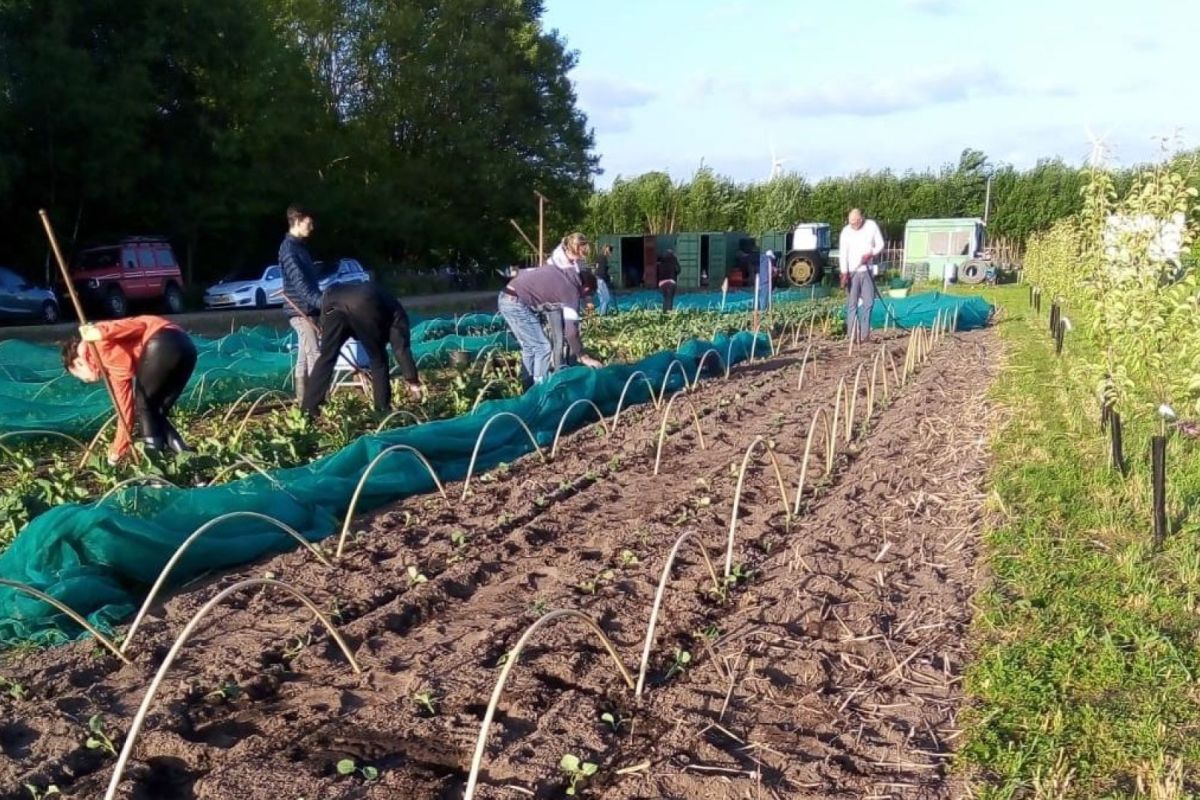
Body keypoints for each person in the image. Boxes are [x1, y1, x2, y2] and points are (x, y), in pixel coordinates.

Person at [61, 317, 198, 463]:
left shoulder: (97, 341)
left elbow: (138, 325)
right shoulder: (114, 374)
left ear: (79, 363)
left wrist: (101, 332)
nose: (85, 380)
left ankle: (155, 470)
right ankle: (192, 464)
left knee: (144, 406)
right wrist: (117, 451)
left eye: (79, 375)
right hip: (186, 349)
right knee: (155, 413)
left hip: (164, 339)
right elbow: (125, 413)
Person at [301, 281, 422, 417]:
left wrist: (324, 326)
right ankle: (382, 411)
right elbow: (401, 349)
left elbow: (327, 304)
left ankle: (307, 411)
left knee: (326, 358)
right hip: (363, 303)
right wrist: (413, 381)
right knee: (378, 360)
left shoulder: (385, 302)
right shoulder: (398, 315)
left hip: (332, 301)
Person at [498, 264, 601, 388]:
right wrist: (583, 357)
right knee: (543, 347)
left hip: (506, 297)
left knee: (530, 347)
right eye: (586, 295)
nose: (583, 299)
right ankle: (540, 390)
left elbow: (523, 272)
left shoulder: (561, 274)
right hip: (515, 302)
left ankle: (527, 386)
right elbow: (571, 332)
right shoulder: (571, 290)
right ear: (585, 288)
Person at [279, 205, 323, 402]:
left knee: (304, 357)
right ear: (297, 221)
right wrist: (322, 302)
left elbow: (309, 279)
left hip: (308, 308)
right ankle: (317, 400)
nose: (311, 226)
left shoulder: (300, 248)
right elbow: (300, 284)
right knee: (315, 354)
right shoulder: (289, 250)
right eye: (308, 222)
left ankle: (303, 398)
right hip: (299, 310)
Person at [839, 208, 885, 343]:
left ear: (860, 219)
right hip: (852, 272)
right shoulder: (846, 232)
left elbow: (880, 244)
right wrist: (844, 273)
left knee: (868, 302)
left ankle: (865, 335)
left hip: (867, 270)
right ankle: (852, 335)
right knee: (852, 304)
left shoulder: (871, 226)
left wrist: (871, 253)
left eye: (855, 223)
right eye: (850, 223)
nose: (852, 225)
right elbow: (843, 254)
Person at [594, 244, 614, 314]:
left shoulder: (599, 257)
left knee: (602, 299)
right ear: (608, 251)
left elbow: (597, 268)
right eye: (610, 252)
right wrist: (609, 279)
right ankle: (602, 315)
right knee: (606, 298)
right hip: (600, 280)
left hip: (597, 279)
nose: (610, 255)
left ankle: (601, 314)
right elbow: (602, 272)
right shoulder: (603, 258)